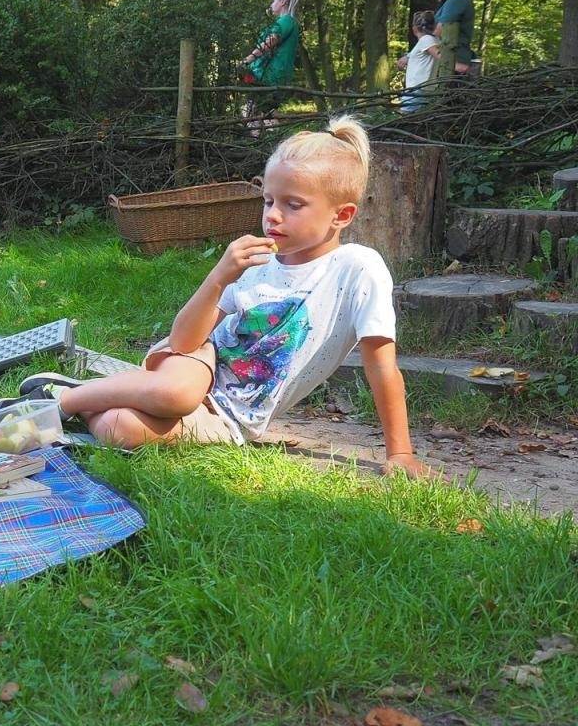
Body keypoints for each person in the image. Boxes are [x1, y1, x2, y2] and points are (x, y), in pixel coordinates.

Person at [48, 116, 429, 479]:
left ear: (341, 215)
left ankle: (91, 398)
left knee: (121, 430)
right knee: (178, 393)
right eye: (268, 201)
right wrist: (219, 275)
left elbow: (381, 365)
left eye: (292, 205)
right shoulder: (255, 264)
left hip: (235, 416)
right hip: (200, 361)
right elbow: (183, 342)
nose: (273, 216)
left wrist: (400, 453)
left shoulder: (357, 268)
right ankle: (62, 402)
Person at [240, 0, 301, 133]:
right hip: (273, 74)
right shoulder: (288, 21)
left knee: (253, 110)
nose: (271, 4)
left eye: (274, 1)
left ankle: (270, 143)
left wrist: (249, 58)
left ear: (283, 2)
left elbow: (270, 41)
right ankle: (262, 144)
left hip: (272, 75)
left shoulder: (286, 21)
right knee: (260, 111)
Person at [429, 0, 474, 78]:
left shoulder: (457, 0)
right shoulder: (454, 0)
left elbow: (439, 31)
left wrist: (421, 38)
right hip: (450, 61)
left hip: (455, 62)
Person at [395, 10, 440, 112]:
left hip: (417, 89)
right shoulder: (433, 39)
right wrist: (407, 57)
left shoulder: (426, 40)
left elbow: (438, 55)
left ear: (414, 28)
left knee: (405, 119)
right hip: (423, 89)